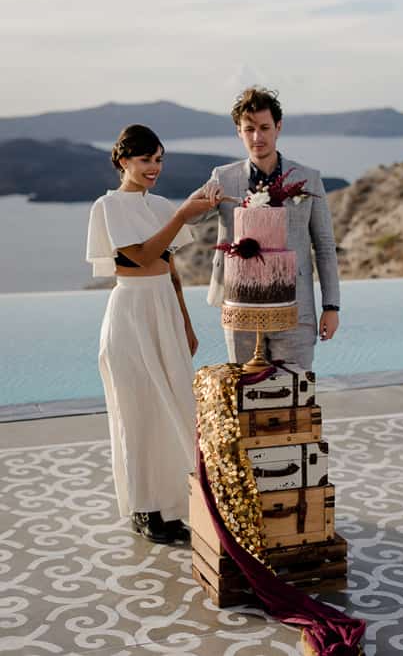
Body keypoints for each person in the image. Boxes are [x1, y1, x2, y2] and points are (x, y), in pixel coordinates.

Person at [86, 124, 217, 544]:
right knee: (139, 411)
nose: (154, 168)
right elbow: (141, 258)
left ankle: (173, 505)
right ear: (124, 160)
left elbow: (170, 268)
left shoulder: (159, 205)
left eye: (159, 160)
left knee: (176, 408)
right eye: (146, 160)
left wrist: (186, 319)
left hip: (163, 307)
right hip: (131, 312)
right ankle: (145, 510)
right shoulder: (108, 206)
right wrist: (181, 214)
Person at [198, 87, 340, 369]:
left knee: (295, 396)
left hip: (296, 308)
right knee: (246, 398)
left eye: (264, 128)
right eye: (249, 129)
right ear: (238, 131)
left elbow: (324, 246)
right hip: (240, 308)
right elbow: (188, 221)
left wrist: (331, 307)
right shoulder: (222, 177)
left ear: (278, 127)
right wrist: (203, 194)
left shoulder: (308, 179)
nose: (257, 137)